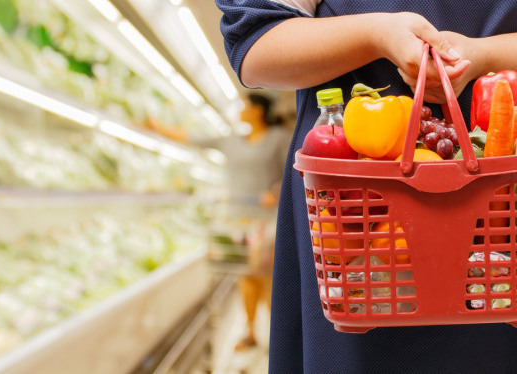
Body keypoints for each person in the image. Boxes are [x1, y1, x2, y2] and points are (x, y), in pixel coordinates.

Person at [215, 1, 517, 373]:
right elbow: (254, 42)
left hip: (503, 183)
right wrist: (377, 34)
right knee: (363, 321)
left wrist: (484, 54)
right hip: (356, 206)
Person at [148, 93, 291, 350]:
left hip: (266, 222)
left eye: (245, 105)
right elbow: (194, 139)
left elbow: (292, 171)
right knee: (245, 277)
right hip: (235, 221)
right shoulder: (231, 142)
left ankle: (276, 336)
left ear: (258, 110)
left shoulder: (279, 138)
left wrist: (276, 191)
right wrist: (157, 127)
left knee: (268, 278)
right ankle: (250, 332)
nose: (241, 109)